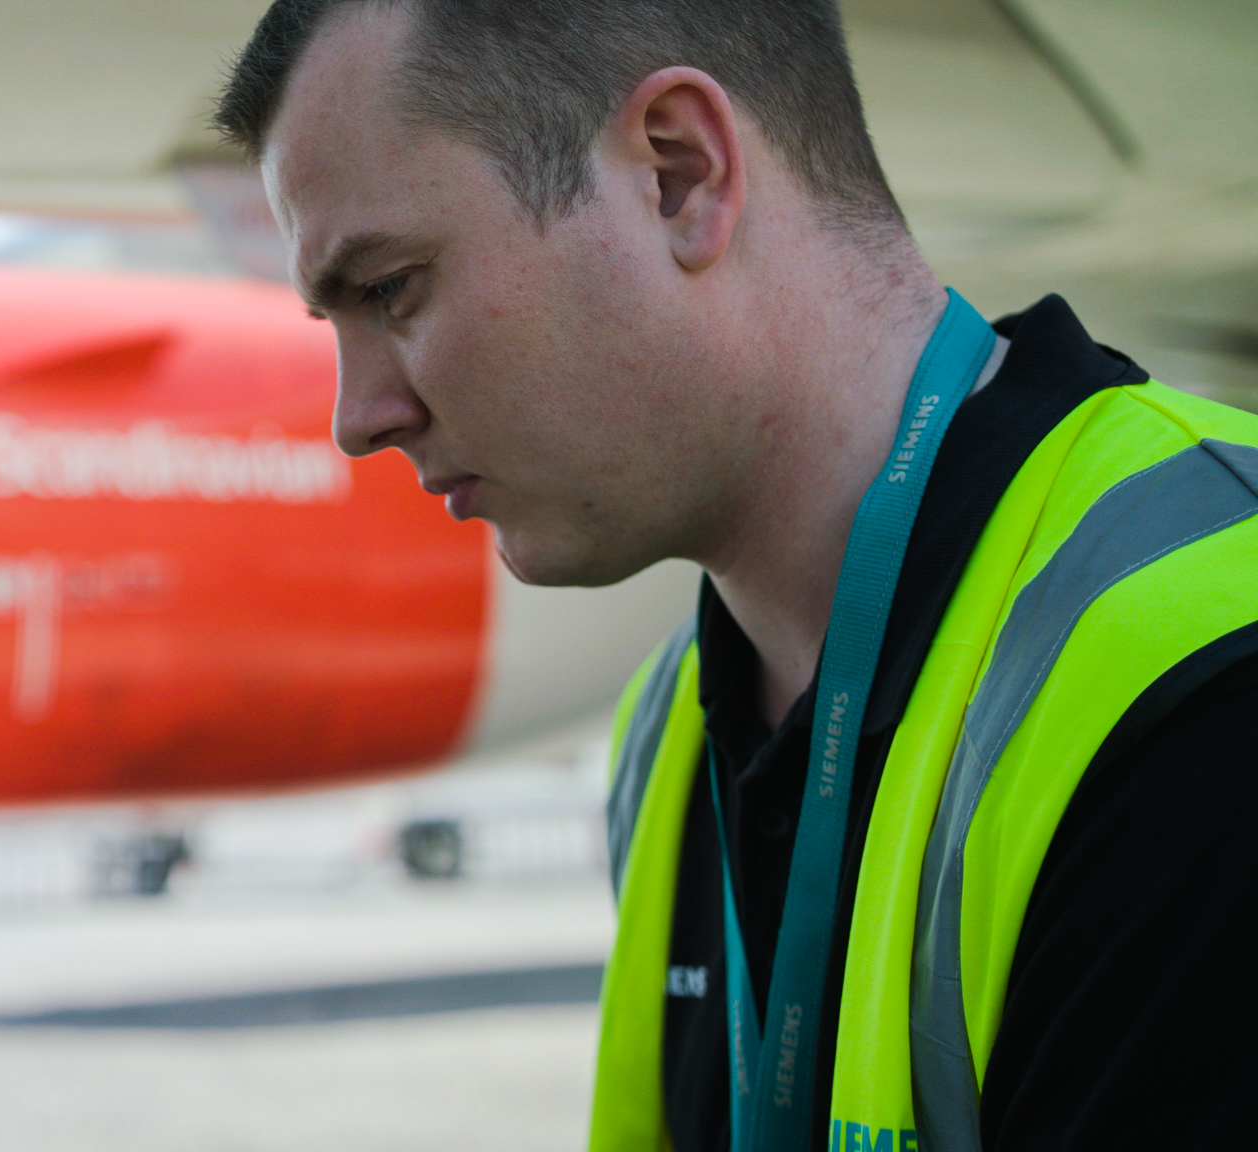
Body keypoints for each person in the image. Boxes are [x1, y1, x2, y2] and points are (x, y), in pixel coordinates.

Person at [212, 1, 1258, 1149]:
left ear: (677, 173)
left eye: (390, 288)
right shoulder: (668, 730)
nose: (356, 420)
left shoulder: (1207, 664)